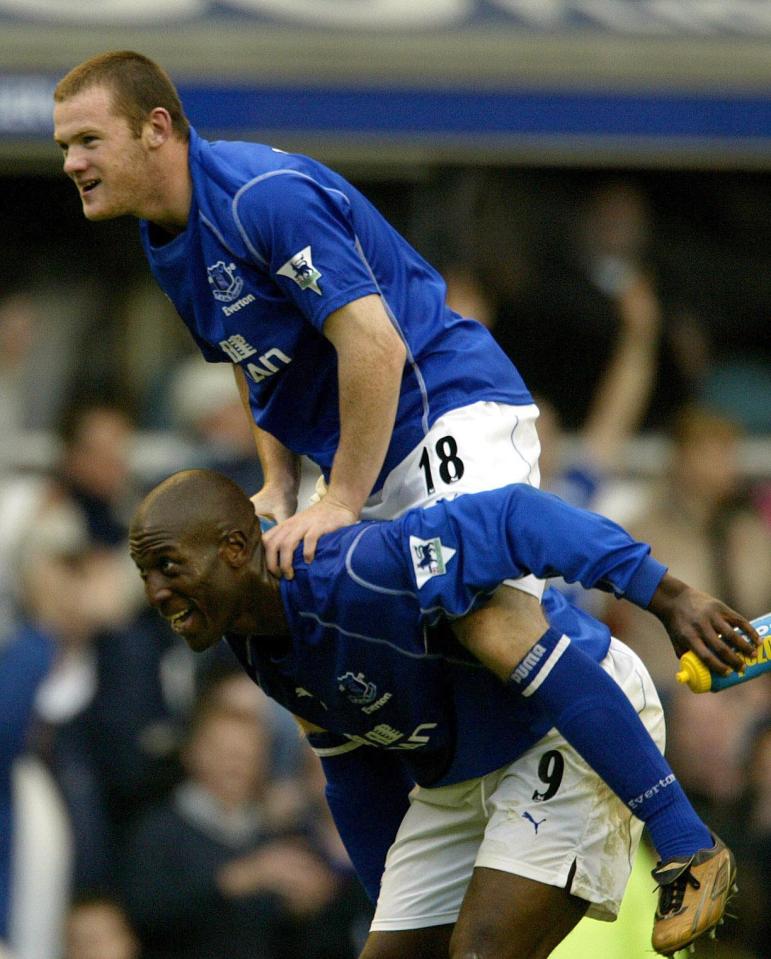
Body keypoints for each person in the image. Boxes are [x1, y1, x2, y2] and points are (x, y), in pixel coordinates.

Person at [128, 469, 760, 958]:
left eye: (168, 565)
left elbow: (519, 516)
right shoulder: (250, 641)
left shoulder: (359, 569)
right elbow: (354, 777)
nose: (156, 591)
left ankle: (691, 843)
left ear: (237, 548)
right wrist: (392, 909)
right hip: (458, 774)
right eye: (145, 572)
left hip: (557, 730)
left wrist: (668, 596)